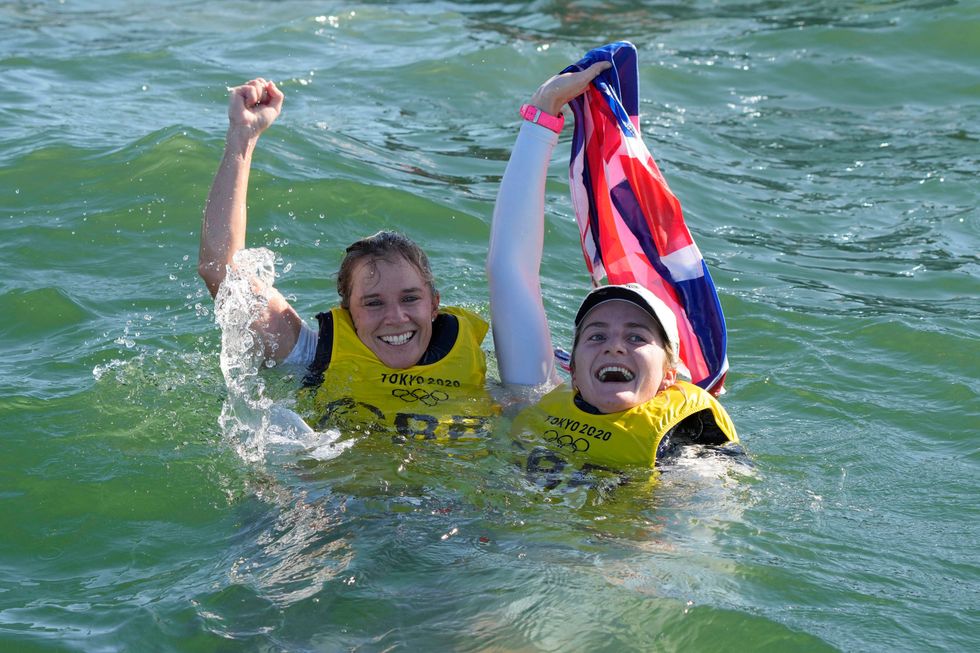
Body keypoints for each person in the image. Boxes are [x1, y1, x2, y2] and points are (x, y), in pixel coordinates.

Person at [199, 78, 496, 440]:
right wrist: (242, 137)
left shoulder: (478, 366)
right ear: (349, 313)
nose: (396, 317)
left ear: (434, 303)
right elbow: (222, 270)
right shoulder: (314, 357)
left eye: (410, 298)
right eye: (373, 302)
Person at [487, 63, 737, 483]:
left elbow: (695, 534)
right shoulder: (536, 400)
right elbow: (508, 270)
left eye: (637, 337)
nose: (614, 347)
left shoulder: (690, 448)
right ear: (575, 368)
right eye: (596, 336)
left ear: (668, 376)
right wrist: (543, 110)